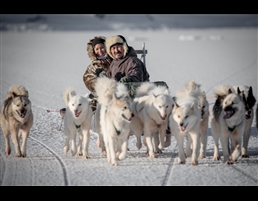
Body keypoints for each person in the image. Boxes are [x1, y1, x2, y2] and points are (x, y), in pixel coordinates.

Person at [83, 36, 112, 111]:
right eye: (97, 49)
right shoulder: (92, 67)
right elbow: (88, 79)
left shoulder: (115, 61)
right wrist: (100, 85)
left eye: (102, 47)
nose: (100, 51)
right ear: (93, 51)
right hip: (101, 95)